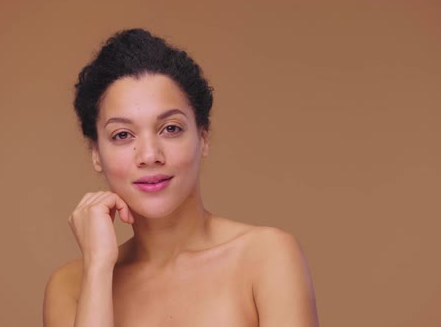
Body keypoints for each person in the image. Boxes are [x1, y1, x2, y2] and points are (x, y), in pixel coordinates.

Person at [42, 28, 319, 327]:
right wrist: (97, 268)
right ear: (96, 153)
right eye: (122, 134)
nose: (149, 155)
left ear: (203, 136)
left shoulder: (267, 257)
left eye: (170, 128)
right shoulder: (70, 288)